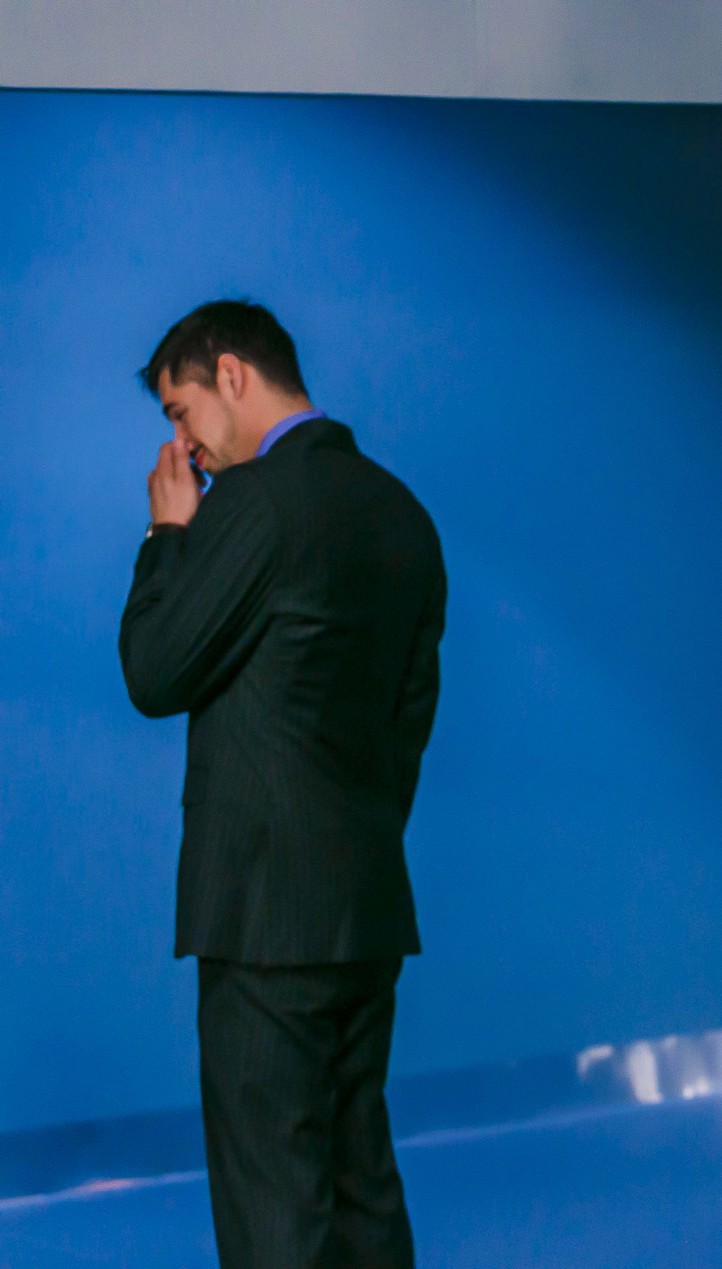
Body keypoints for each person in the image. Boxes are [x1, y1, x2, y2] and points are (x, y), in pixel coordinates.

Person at [119, 300, 446, 1268]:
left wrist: (167, 536)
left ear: (231, 375)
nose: (184, 445)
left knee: (275, 1211)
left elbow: (154, 672)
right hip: (366, 911)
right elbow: (409, 721)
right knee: (360, 1186)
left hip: (262, 923)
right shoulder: (403, 514)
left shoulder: (254, 504)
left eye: (180, 412)